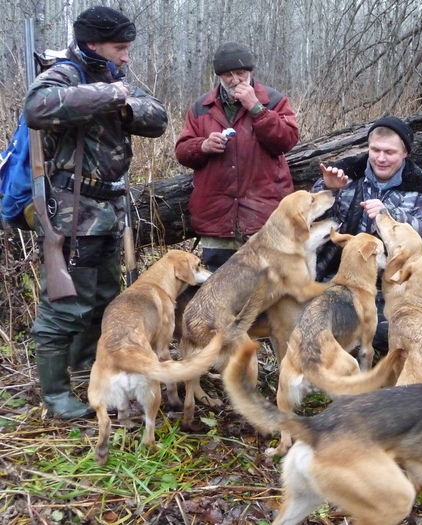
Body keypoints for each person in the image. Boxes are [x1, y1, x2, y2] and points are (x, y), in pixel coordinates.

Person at [24, 6, 168, 419]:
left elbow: (156, 116)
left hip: (108, 209)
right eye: (120, 48)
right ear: (93, 44)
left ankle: (88, 367)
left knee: (106, 298)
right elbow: (37, 106)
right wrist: (111, 95)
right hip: (74, 212)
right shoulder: (66, 73)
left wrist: (122, 100)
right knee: (66, 304)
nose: (126, 57)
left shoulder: (113, 77)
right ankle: (55, 396)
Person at [312, 116, 422, 349]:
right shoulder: (345, 173)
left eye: (389, 152)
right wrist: (327, 190)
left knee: (384, 333)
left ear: (405, 154)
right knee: (311, 323)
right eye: (375, 150)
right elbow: (309, 226)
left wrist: (390, 216)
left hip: (387, 288)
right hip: (336, 278)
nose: (381, 158)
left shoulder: (421, 185)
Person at [176, 42, 299, 271]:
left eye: (240, 73)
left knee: (267, 286)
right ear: (219, 76)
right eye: (227, 75)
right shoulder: (202, 107)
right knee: (218, 287)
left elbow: (287, 140)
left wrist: (257, 109)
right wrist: (202, 146)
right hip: (217, 216)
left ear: (250, 72)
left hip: (264, 216)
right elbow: (182, 151)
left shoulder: (273, 100)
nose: (235, 80)